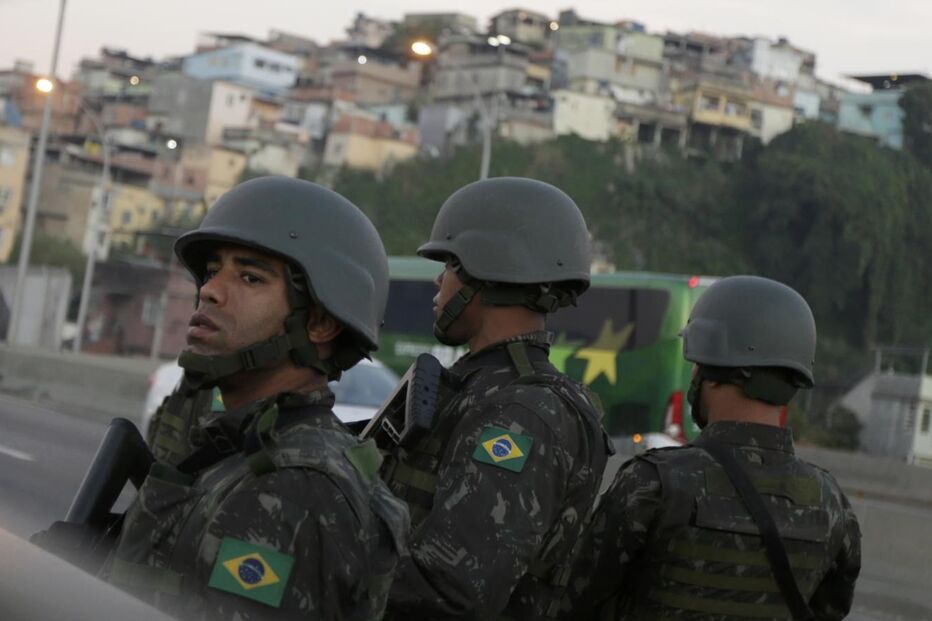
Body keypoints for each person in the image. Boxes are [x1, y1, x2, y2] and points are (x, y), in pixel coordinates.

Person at [104, 176, 409, 620]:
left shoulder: (295, 486)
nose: (210, 290)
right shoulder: (244, 450)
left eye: (249, 277)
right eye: (211, 272)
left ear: (320, 324)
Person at [563, 275, 861, 620]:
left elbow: (575, 602)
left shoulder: (655, 484)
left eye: (697, 364)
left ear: (713, 372)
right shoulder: (832, 505)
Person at [381, 177, 613, 619]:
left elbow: (452, 591)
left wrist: (328, 564)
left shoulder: (522, 413)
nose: (438, 279)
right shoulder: (483, 385)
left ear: (486, 271)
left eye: (449, 263)